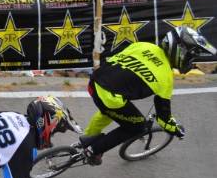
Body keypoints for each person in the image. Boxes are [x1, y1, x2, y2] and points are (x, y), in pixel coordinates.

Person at [80, 26, 217, 165]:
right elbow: (164, 119)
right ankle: (93, 150)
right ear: (180, 52)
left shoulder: (144, 45)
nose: (190, 61)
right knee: (137, 126)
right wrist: (176, 130)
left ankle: (87, 137)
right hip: (110, 96)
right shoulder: (165, 78)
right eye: (190, 57)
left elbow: (117, 61)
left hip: (95, 82)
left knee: (110, 111)